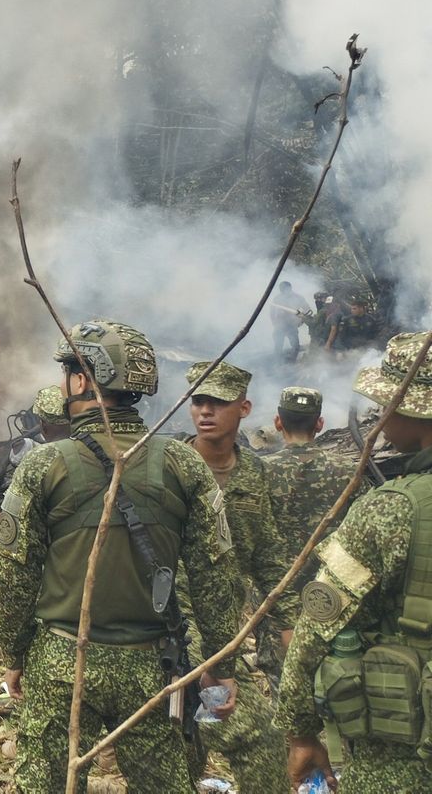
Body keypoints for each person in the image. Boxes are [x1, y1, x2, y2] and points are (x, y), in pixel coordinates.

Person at [0, 319, 241, 792]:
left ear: (84, 380)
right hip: (153, 666)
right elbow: (216, 574)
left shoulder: (45, 464)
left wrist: (14, 651)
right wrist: (221, 664)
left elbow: (14, 573)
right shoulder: (182, 462)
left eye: (69, 371)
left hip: (64, 663)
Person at [277, 331, 432, 790]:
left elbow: (317, 623)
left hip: (403, 757)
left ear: (415, 411)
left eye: (387, 403)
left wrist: (301, 730)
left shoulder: (393, 507)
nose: (379, 415)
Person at [183, 361, 296, 792]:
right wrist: (214, 661)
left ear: (244, 408)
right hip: (178, 631)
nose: (205, 412)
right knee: (253, 736)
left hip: (223, 633)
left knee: (192, 740)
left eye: (218, 403)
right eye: (198, 401)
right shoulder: (168, 467)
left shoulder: (253, 473)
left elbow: (267, 553)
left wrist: (286, 623)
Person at [259, 386, 363, 690]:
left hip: (278, 599)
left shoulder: (260, 472)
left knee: (287, 688)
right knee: (338, 685)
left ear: (278, 423)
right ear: (320, 424)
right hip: (333, 599)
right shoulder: (349, 471)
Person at [270, 281, 309, 361]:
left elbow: (307, 309)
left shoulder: (298, 298)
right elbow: (272, 311)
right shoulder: (277, 298)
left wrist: (301, 321)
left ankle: (292, 361)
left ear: (290, 288)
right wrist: (274, 322)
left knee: (295, 346)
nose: (284, 291)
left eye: (285, 289)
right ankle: (277, 363)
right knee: (278, 345)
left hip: (292, 325)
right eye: (282, 289)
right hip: (280, 325)